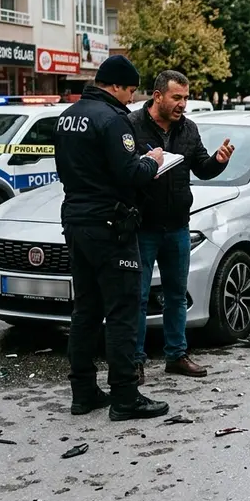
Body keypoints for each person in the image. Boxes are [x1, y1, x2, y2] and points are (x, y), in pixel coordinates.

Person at [54, 54, 170, 422]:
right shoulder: (112, 119)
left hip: (76, 221)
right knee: (122, 311)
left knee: (85, 310)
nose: (132, 98)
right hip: (110, 225)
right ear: (116, 85)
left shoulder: (67, 116)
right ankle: (125, 396)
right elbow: (129, 173)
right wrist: (153, 160)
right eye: (130, 90)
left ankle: (83, 391)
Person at [127, 70, 233, 383]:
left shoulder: (188, 128)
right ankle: (134, 361)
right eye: (177, 97)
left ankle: (176, 354)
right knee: (138, 297)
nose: (182, 104)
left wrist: (219, 161)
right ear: (157, 96)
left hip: (177, 226)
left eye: (185, 98)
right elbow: (123, 172)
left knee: (176, 295)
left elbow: (202, 167)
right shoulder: (131, 125)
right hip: (143, 227)